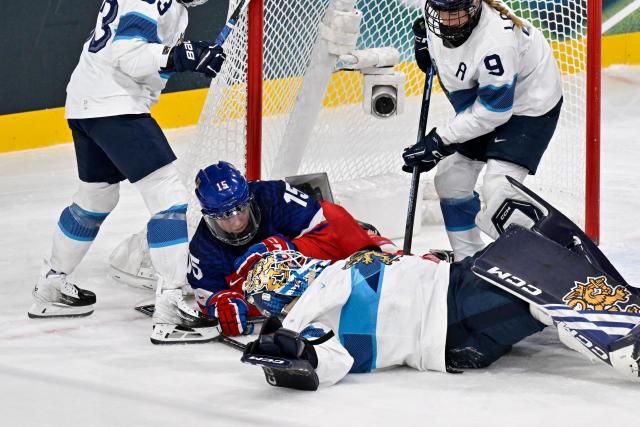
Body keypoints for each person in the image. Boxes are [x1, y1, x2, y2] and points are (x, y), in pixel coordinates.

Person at [239, 179, 640, 390]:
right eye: (279, 272)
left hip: (454, 284)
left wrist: (431, 261)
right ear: (281, 291)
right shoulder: (309, 318)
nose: (290, 267)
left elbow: (394, 271)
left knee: (533, 244)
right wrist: (297, 357)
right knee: (534, 292)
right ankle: (622, 350)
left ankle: (618, 308)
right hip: (452, 326)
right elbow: (328, 360)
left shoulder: (332, 272)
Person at [28, 0, 227, 340]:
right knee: (169, 198)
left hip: (85, 103)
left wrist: (187, 57)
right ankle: (171, 309)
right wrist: (180, 57)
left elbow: (147, 62)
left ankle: (51, 286)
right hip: (115, 105)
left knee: (95, 199)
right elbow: (130, 56)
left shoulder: (173, 8)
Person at [402, 0, 563, 261]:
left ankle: (539, 263)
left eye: (453, 12)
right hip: (486, 99)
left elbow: (494, 110)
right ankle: (469, 260)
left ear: (474, 7)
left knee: (499, 190)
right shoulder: (441, 16)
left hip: (529, 103)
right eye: (440, 11)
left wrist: (439, 141)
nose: (445, 19)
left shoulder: (496, 42)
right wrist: (427, 50)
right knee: (451, 180)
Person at [182, 161, 393, 338]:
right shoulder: (203, 248)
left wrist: (284, 247)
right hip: (276, 292)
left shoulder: (274, 194)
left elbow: (327, 224)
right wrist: (222, 303)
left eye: (240, 210)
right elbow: (208, 293)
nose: (237, 223)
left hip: (304, 260)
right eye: (225, 216)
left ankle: (371, 240)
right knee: (243, 288)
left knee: (334, 216)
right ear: (209, 215)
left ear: (249, 198)